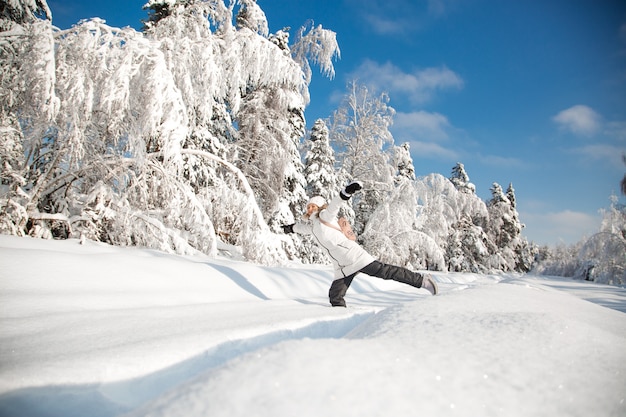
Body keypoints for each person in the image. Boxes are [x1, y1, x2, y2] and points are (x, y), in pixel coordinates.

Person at [282, 181, 438, 307]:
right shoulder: (312, 226)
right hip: (342, 267)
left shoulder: (325, 216)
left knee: (386, 272)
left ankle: (423, 281)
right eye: (308, 207)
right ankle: (341, 319)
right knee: (335, 297)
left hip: (354, 257)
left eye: (313, 206)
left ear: (320, 207)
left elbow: (335, 205)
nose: (309, 209)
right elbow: (301, 228)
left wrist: (346, 192)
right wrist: (289, 228)